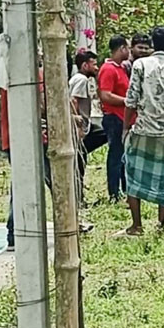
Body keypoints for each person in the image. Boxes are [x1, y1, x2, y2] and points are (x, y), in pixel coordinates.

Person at [122, 26, 164, 235]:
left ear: (153, 43)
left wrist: (125, 127)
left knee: (133, 175)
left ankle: (136, 225)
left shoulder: (140, 65)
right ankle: (160, 225)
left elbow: (131, 100)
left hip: (143, 128)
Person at [69, 49, 107, 214]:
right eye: (94, 64)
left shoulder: (79, 78)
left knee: (104, 133)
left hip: (87, 126)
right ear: (85, 65)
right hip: (80, 128)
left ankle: (79, 198)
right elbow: (73, 100)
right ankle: (77, 200)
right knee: (79, 164)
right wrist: (77, 123)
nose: (96, 68)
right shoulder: (81, 79)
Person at [98, 35, 131, 201]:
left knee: (122, 156)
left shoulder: (121, 68)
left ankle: (123, 189)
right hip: (114, 117)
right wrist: (127, 101)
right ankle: (114, 192)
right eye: (128, 48)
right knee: (116, 155)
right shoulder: (108, 69)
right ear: (122, 48)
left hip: (123, 117)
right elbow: (105, 95)